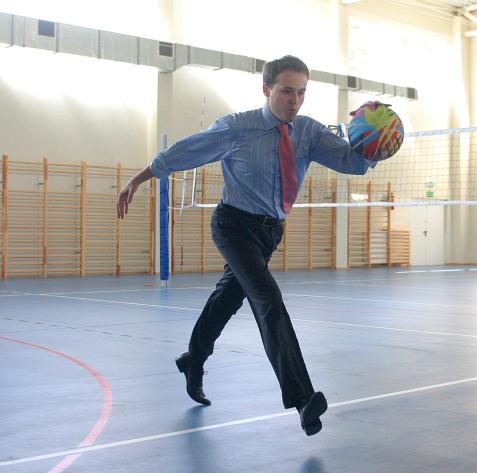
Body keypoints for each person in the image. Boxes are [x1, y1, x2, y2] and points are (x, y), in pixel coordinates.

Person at [117, 55, 375, 436]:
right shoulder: (238, 127)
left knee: (226, 300)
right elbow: (186, 151)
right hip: (233, 226)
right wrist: (138, 179)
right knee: (267, 299)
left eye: (301, 93)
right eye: (286, 91)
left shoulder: (308, 132)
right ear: (267, 88)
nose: (294, 101)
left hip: (269, 233)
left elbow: (353, 163)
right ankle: (303, 399)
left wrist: (374, 139)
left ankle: (193, 360)